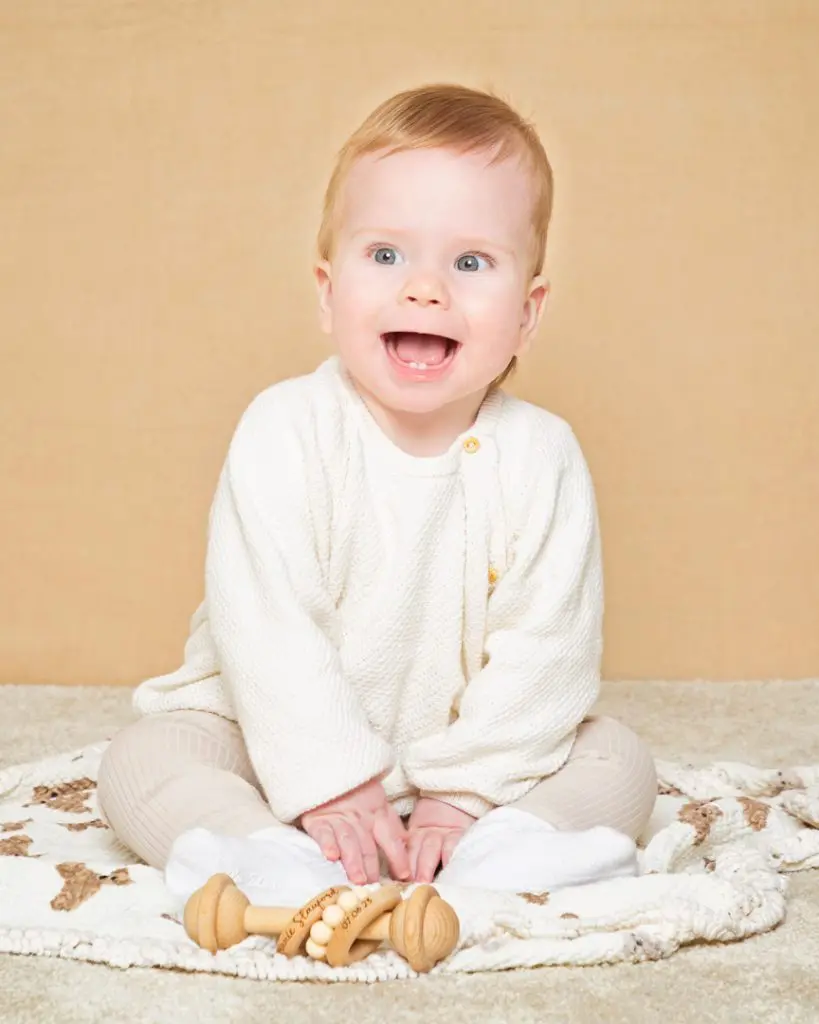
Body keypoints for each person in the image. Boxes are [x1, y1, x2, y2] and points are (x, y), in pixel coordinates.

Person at [97, 83, 657, 907]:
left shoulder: (541, 456)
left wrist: (462, 794)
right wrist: (327, 779)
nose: (424, 289)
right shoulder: (285, 428)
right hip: (264, 733)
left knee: (618, 755)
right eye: (386, 255)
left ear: (528, 313)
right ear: (328, 291)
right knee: (143, 761)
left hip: (464, 753)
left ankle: (504, 851)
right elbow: (267, 624)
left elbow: (549, 649)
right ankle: (262, 855)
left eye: (470, 263)